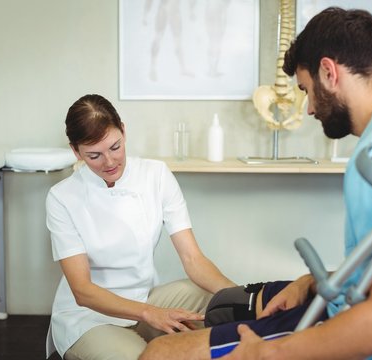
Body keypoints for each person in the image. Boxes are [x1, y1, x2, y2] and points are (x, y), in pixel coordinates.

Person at [139, 7, 372, 360]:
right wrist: (309, 282)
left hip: (365, 340)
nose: (309, 110)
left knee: (161, 352)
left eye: (306, 90)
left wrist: (271, 353)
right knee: (229, 307)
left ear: (329, 72)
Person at [45, 94, 235, 360]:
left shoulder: (155, 175)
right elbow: (82, 290)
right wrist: (150, 313)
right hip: (91, 318)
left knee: (219, 301)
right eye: (94, 155)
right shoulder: (62, 197)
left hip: (145, 299)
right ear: (76, 151)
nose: (109, 162)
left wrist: (245, 298)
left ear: (123, 130)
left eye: (115, 147)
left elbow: (193, 258)